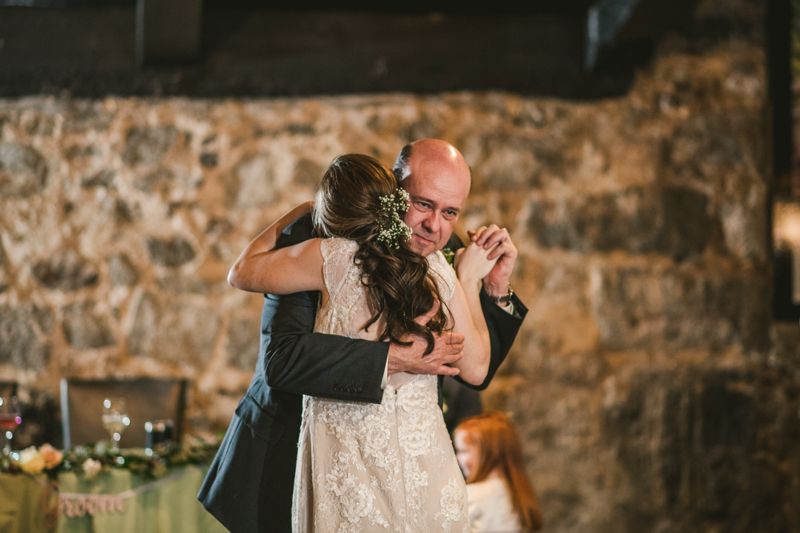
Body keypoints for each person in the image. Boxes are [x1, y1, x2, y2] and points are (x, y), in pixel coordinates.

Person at [198, 139, 527, 533]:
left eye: (450, 211)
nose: (434, 225)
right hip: (295, 459)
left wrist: (492, 288)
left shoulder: (444, 254)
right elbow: (283, 360)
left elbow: (476, 369)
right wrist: (395, 357)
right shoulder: (317, 234)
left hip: (417, 465)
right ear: (393, 189)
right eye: (422, 203)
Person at [454, 412, 543, 533]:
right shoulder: (516, 492)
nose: (457, 458)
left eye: (463, 451)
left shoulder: (472, 494)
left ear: (491, 452)